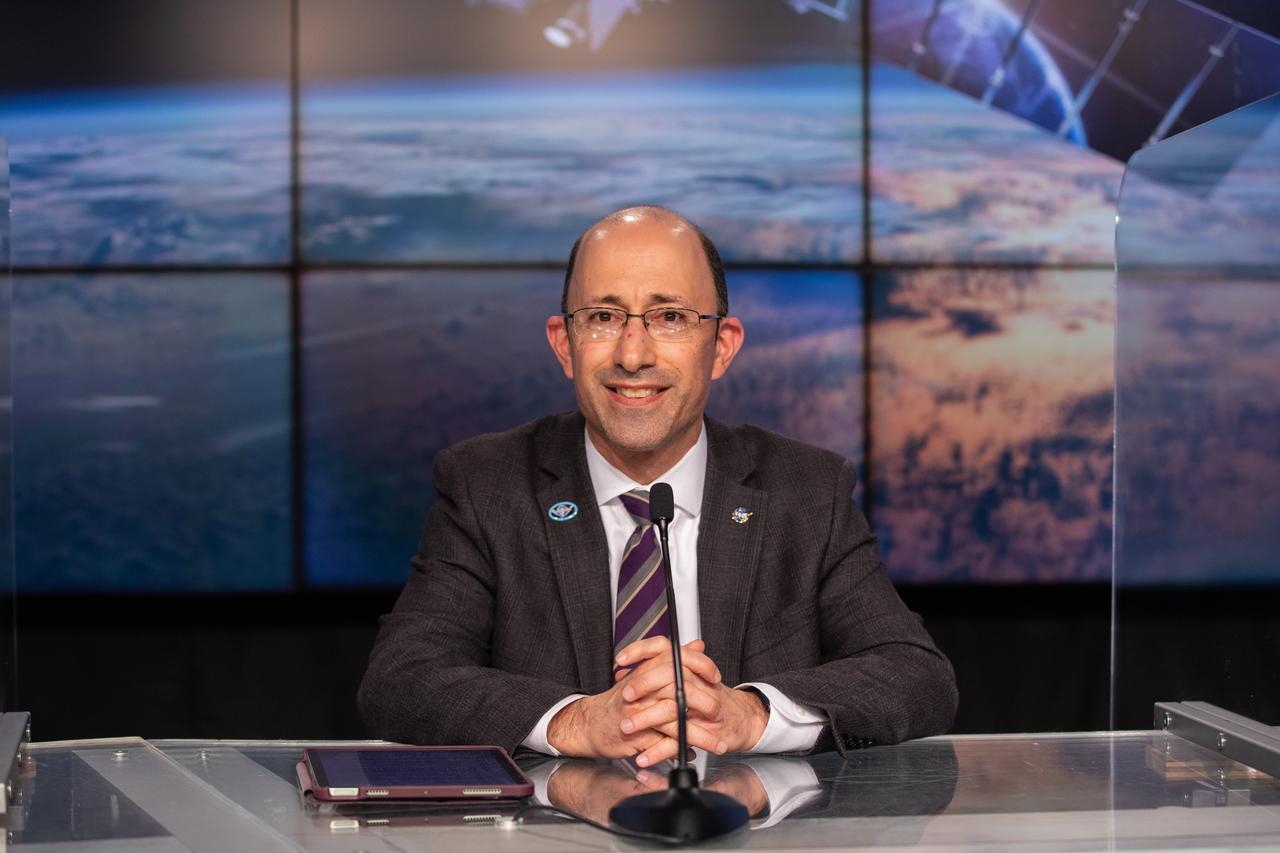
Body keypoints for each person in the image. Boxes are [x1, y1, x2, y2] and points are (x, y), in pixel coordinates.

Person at [358, 206, 957, 765]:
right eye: (602, 318)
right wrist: (575, 722)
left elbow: (915, 674)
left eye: (670, 317)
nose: (633, 354)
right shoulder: (487, 485)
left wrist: (751, 714)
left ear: (720, 347)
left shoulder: (806, 490)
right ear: (564, 345)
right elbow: (403, 678)